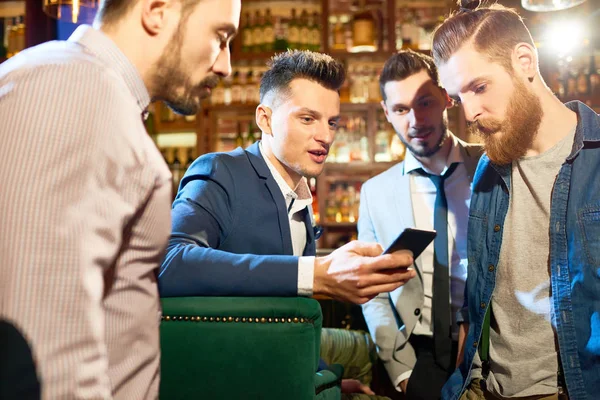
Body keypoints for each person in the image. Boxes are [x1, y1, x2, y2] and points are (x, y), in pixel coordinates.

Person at [0, 0, 241, 398]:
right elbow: (43, 349)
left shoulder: (89, 89)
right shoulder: (76, 92)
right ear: (157, 11)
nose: (225, 65)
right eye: (220, 37)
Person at [431, 1, 600, 399]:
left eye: (480, 86)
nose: (470, 112)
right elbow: (479, 296)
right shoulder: (488, 169)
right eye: (458, 97)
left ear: (525, 61)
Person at [158, 50, 416, 305]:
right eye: (307, 119)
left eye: (332, 123)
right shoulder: (220, 171)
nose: (325, 137)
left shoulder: (299, 196)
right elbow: (168, 263)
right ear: (265, 120)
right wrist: (316, 274)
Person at [358, 50, 482, 400]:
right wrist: (402, 372)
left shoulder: (491, 168)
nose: (415, 120)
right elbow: (373, 291)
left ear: (446, 98)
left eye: (424, 102)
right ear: (386, 113)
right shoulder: (374, 193)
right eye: (400, 109)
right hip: (419, 355)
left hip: (487, 348)